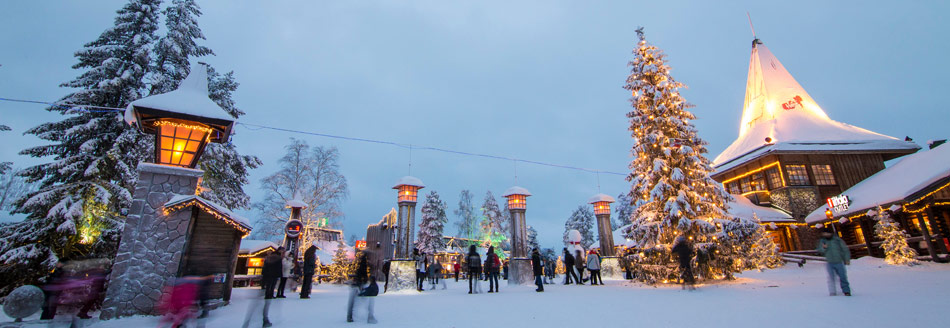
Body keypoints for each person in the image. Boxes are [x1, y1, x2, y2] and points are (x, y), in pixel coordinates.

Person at [816, 228, 852, 296]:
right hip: (830, 262)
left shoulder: (837, 240)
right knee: (831, 277)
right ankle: (832, 291)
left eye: (827, 233)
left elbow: (845, 249)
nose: (825, 235)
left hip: (839, 261)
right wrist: (824, 248)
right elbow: (820, 250)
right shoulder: (823, 241)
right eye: (824, 234)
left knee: (842, 277)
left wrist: (847, 259)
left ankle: (846, 291)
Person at [347, 251, 378, 324]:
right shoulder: (365, 262)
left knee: (353, 300)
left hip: (357, 282)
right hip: (361, 282)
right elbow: (365, 272)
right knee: (369, 299)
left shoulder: (359, 261)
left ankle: (349, 316)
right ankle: (370, 316)